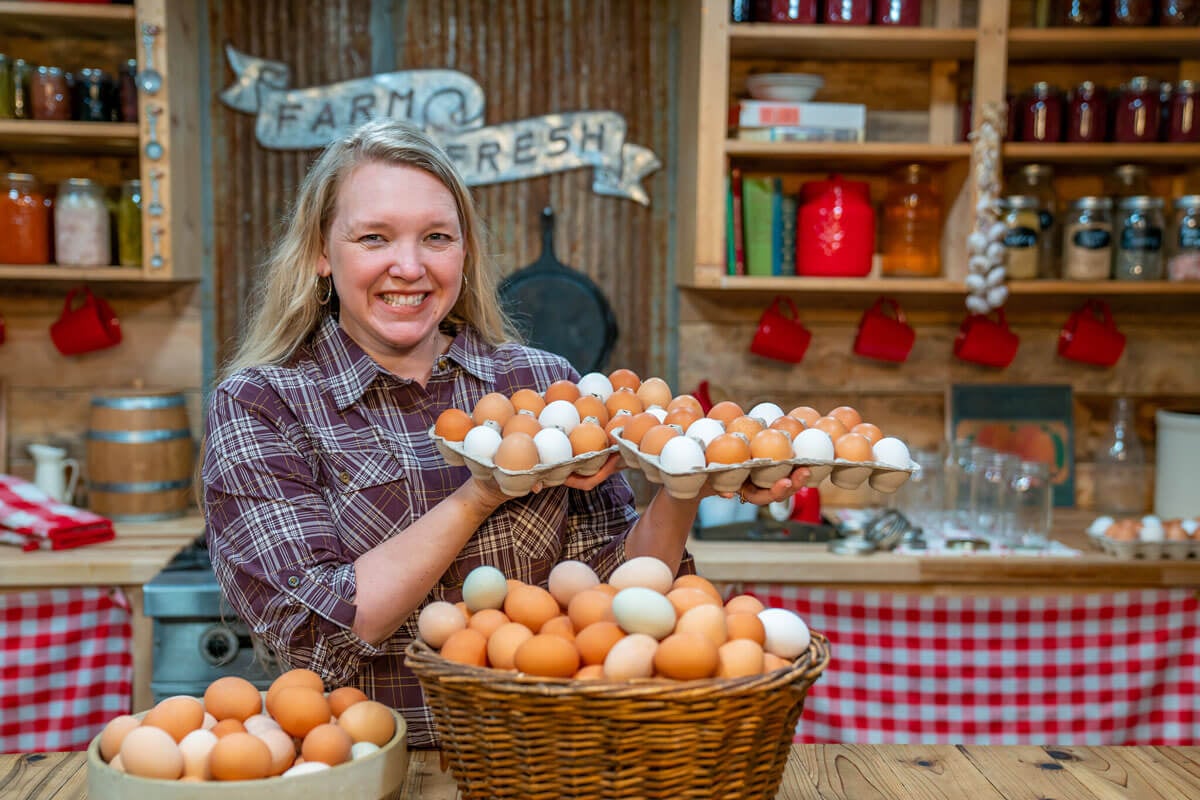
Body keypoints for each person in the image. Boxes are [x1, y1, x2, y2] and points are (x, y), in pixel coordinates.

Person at [201, 118, 807, 747]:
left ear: (464, 252)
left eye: (436, 237)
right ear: (322, 254)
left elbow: (621, 599)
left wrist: (682, 483)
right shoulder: (264, 403)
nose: (408, 267)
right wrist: (480, 492)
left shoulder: (542, 385)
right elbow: (312, 634)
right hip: (381, 767)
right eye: (374, 237)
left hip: (548, 764)